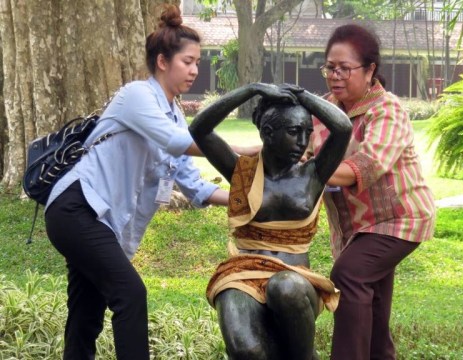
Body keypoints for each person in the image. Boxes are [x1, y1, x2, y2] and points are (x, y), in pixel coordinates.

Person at [44, 5, 233, 359]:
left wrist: (246, 199)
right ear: (163, 61)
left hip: (102, 223)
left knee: (86, 316)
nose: (195, 70)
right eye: (188, 61)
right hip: (75, 208)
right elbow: (177, 143)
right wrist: (254, 151)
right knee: (130, 293)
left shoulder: (175, 115)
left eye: (197, 62)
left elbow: (197, 188)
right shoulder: (136, 96)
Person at [189, 82, 352, 359]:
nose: (302, 142)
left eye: (307, 133)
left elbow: (342, 128)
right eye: (293, 132)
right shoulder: (241, 171)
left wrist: (302, 95)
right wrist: (251, 90)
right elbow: (200, 129)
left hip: (296, 279)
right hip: (243, 276)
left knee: (284, 287)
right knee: (247, 350)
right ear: (267, 133)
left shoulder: (312, 174)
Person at [306, 23, 437, 360]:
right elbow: (293, 151)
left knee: (348, 275)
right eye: (329, 67)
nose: (335, 75)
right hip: (358, 229)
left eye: (344, 68)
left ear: (370, 70)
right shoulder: (324, 110)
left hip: (399, 220)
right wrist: (195, 145)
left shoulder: (386, 110)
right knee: (373, 304)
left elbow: (364, 166)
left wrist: (306, 171)